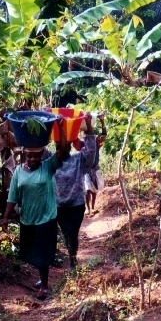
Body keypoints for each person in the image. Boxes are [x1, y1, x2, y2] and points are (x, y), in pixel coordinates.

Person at [2, 118, 68, 300]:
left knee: (43, 252)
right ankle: (41, 277)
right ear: (24, 155)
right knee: (31, 252)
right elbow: (12, 197)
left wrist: (60, 128)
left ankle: (44, 286)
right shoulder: (18, 172)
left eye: (36, 156)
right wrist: (6, 218)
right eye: (30, 156)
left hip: (46, 217)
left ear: (41, 156)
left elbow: (64, 150)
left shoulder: (47, 167)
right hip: (27, 218)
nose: (33, 159)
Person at [55, 113, 97, 270]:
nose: (62, 146)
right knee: (66, 233)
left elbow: (91, 151)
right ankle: (71, 254)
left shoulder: (78, 159)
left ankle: (72, 258)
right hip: (59, 205)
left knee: (72, 232)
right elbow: (33, 150)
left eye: (64, 143)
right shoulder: (50, 161)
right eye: (58, 144)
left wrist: (89, 125)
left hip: (76, 204)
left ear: (69, 145)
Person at [84, 114, 107, 216]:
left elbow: (104, 136)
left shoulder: (96, 141)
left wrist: (102, 121)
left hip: (95, 168)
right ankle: (88, 209)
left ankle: (92, 208)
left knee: (94, 190)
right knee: (87, 189)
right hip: (86, 169)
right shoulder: (83, 142)